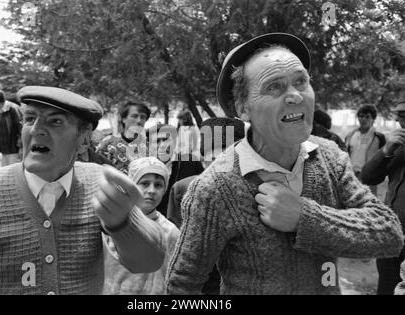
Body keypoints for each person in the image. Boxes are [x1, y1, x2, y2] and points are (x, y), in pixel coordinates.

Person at [166, 33, 404, 295]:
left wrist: (303, 218)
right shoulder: (215, 187)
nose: (295, 96)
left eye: (301, 82)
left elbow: (389, 234)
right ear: (243, 107)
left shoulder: (329, 156)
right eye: (274, 87)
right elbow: (181, 286)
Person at [0, 86, 165, 295]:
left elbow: (149, 261)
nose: (37, 129)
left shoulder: (99, 182)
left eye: (55, 121)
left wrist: (123, 224)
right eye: (30, 118)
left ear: (83, 139)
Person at [166, 117, 245, 295]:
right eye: (215, 159)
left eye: (231, 158)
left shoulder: (260, 192)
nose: (223, 167)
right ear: (203, 160)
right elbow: (178, 247)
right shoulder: (183, 190)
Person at [103, 157, 179, 295]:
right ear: (131, 186)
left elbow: (176, 277)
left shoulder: (171, 232)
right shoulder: (112, 222)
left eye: (158, 185)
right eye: (144, 183)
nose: (151, 190)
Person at [361, 100, 405, 295]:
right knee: (387, 286)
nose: (397, 120)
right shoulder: (398, 145)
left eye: (403, 116)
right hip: (392, 236)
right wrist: (386, 150)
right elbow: (369, 176)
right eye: (398, 115)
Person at [147, 123, 204, 216]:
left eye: (165, 139)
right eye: (157, 141)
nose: (162, 145)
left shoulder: (191, 162)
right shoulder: (144, 167)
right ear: (149, 145)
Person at [96, 101, 150, 174]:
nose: (139, 121)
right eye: (134, 116)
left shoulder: (150, 145)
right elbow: (96, 171)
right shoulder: (107, 143)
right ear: (124, 119)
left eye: (143, 117)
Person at [345, 105, 385, 195]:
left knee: (368, 201)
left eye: (367, 117)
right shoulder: (350, 135)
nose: (363, 119)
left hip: (369, 176)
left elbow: (383, 158)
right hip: (352, 174)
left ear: (373, 119)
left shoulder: (379, 137)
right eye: (361, 116)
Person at [0, 89, 23, 166]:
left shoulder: (12, 109)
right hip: (5, 149)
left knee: (14, 170)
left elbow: (21, 127)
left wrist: (21, 147)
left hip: (14, 148)